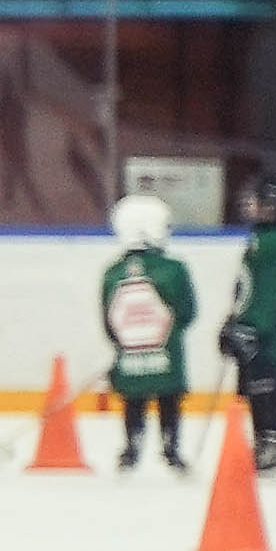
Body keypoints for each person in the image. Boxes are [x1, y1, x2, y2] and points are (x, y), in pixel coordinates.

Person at [99, 192, 196, 472]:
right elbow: (188, 312)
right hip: (167, 355)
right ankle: (171, 448)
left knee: (133, 399)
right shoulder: (174, 270)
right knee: (169, 399)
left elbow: (108, 321)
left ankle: (131, 447)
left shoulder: (112, 273)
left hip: (129, 356)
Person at [221, 169, 276, 472]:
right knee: (254, 382)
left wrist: (251, 327)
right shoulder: (263, 240)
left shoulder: (275, 244)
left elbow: (269, 292)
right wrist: (235, 321)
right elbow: (249, 289)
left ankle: (274, 440)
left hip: (271, 334)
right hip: (258, 330)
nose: (251, 204)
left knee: (266, 381)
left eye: (259, 199)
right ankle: (267, 439)